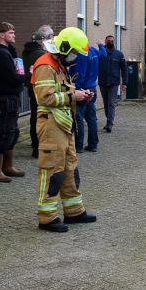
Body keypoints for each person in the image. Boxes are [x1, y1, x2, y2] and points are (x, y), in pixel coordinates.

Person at [31, 27, 97, 232]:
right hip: (51, 125)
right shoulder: (45, 65)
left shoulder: (59, 64)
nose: (75, 57)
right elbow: (45, 98)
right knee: (52, 170)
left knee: (69, 168)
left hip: (63, 125)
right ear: (65, 48)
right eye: (74, 52)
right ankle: (47, 218)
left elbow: (62, 91)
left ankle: (74, 211)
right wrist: (72, 96)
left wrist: (79, 94)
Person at [0, 22, 26, 183]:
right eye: (10, 32)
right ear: (2, 35)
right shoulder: (1, 54)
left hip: (11, 97)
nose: (14, 35)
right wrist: (25, 76)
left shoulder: (7, 51)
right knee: (4, 132)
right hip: (6, 97)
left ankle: (7, 166)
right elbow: (13, 77)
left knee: (12, 132)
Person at [22, 25, 53, 158]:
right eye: (50, 37)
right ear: (43, 40)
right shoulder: (41, 54)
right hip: (41, 88)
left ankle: (35, 145)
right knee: (41, 118)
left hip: (32, 87)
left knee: (34, 116)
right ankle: (38, 147)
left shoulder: (27, 52)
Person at [72, 43, 100, 152]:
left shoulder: (81, 54)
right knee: (91, 118)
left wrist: (78, 89)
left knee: (78, 118)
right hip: (92, 87)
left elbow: (80, 74)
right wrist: (102, 46)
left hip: (83, 89)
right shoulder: (93, 50)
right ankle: (93, 144)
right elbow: (103, 55)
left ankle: (78, 146)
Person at [97, 34, 127, 132]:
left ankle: (110, 124)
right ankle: (108, 121)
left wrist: (125, 82)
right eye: (108, 40)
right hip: (102, 82)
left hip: (114, 82)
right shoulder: (100, 53)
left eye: (112, 41)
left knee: (111, 103)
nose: (110, 42)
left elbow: (124, 69)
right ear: (105, 42)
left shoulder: (119, 54)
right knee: (106, 103)